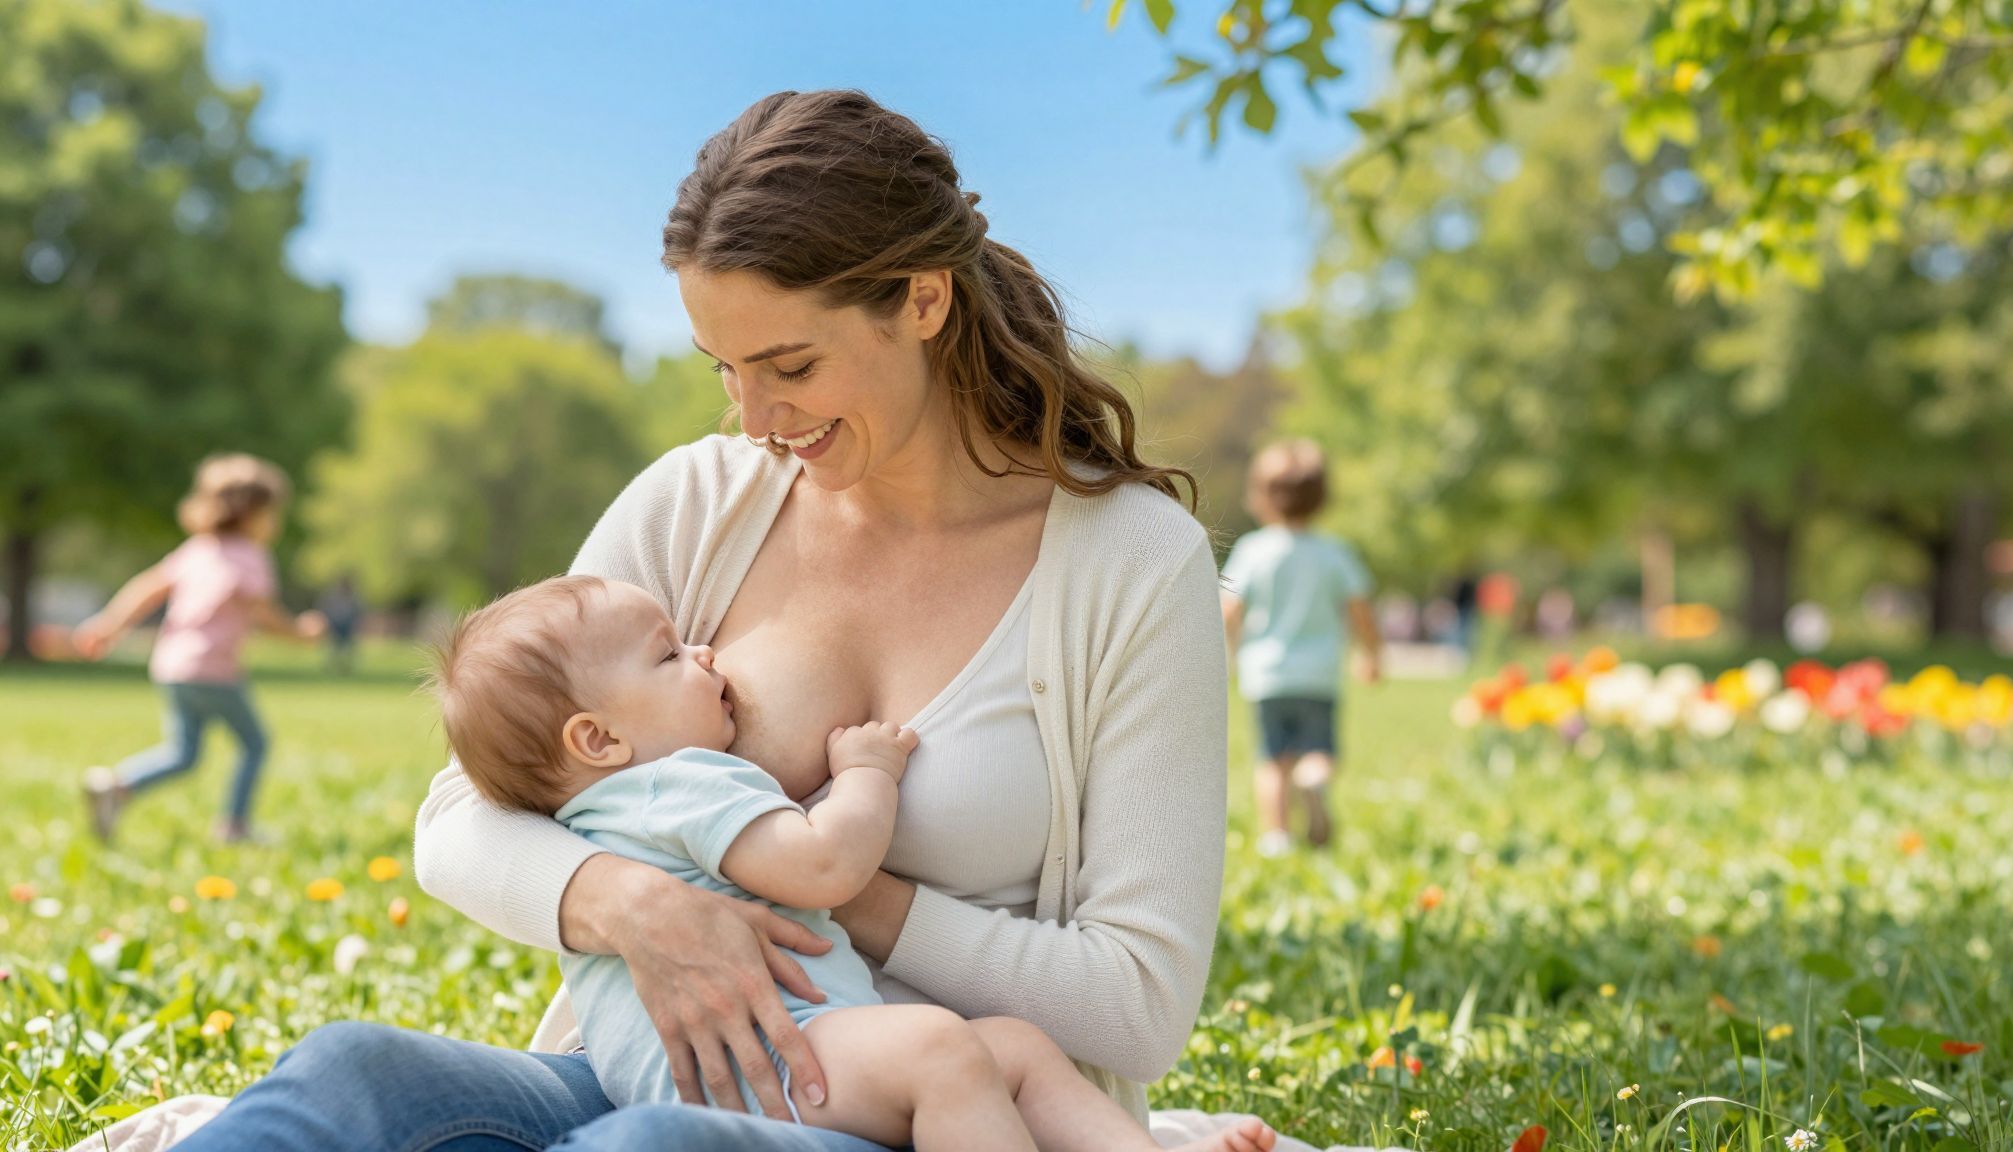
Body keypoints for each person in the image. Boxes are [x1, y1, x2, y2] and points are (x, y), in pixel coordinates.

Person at [164, 89, 1236, 1152]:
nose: (755, 420)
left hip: (928, 1108)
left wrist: (813, 884)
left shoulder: (1130, 567)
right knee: (351, 1074)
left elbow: (1136, 1001)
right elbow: (460, 815)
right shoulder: (698, 502)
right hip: (639, 1076)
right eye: (723, 369)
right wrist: (631, 899)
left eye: (791, 366)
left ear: (921, 299)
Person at [431, 575, 1275, 1152]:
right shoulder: (679, 784)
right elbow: (825, 866)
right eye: (669, 656)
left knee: (1011, 1047)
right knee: (944, 1052)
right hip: (770, 1067)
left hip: (684, 1081)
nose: (706, 655)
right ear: (599, 738)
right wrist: (867, 776)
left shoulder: (591, 810)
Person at [73, 453, 326, 844]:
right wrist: (301, 632)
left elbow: (147, 588)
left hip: (172, 668)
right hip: (213, 671)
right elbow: (264, 615)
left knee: (184, 754)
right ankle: (235, 826)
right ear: (252, 513)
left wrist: (109, 625)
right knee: (256, 743)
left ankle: (117, 786)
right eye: (272, 512)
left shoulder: (196, 550)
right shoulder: (250, 557)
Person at [1220, 441, 1379, 858]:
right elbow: (1360, 610)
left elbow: (1229, 609)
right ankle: (1315, 779)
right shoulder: (1334, 553)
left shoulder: (1253, 551)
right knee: (1319, 749)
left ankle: (1277, 837)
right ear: (1323, 498)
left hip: (1267, 674)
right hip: (1320, 674)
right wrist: (1371, 655)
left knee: (1273, 760)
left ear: (1260, 498)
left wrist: (1226, 652)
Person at [318, 574, 362, 674]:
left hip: (348, 625)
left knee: (348, 648)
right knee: (333, 647)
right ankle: (332, 666)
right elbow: (325, 607)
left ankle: (345, 666)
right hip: (335, 624)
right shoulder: (333, 596)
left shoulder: (353, 597)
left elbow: (359, 610)